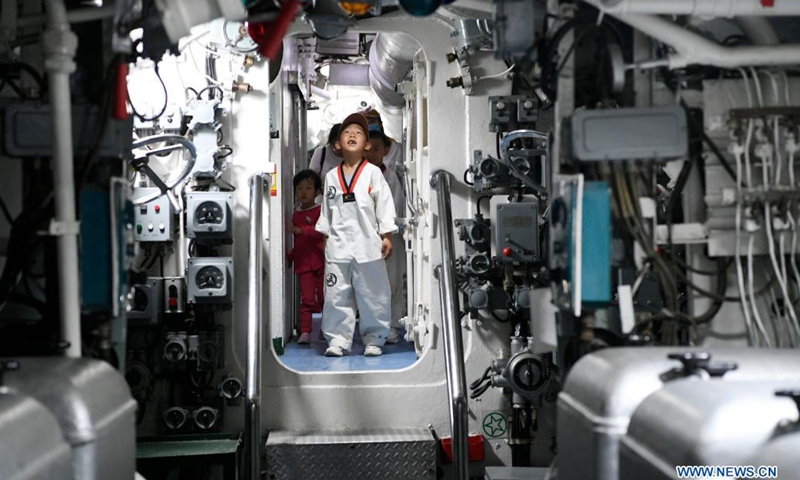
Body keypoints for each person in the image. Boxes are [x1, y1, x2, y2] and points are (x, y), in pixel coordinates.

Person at [315, 113, 397, 357]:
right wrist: (325, 237)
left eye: (359, 133)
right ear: (337, 144)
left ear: (367, 145)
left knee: (373, 295)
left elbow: (384, 204)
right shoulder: (331, 176)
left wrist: (387, 235)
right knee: (336, 295)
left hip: (368, 245)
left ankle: (375, 338)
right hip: (338, 246)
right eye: (347, 132)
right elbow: (326, 211)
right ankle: (338, 340)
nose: (352, 135)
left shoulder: (373, 173)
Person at [365, 128, 407, 344]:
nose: (372, 154)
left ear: (385, 151)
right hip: (366, 239)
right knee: (370, 286)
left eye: (377, 149)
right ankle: (374, 327)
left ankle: (392, 324)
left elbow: (397, 207)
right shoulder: (358, 176)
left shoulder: (389, 176)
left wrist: (388, 233)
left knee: (392, 282)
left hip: (389, 237)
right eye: (368, 149)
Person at [287, 170, 325, 345]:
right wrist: (291, 255)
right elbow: (298, 241)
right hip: (303, 263)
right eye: (299, 188)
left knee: (325, 297)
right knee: (307, 299)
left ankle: (327, 328)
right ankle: (306, 331)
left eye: (308, 188)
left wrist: (300, 230)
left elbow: (320, 232)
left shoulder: (320, 211)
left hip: (321, 260)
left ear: (317, 192)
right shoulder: (295, 215)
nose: (303, 192)